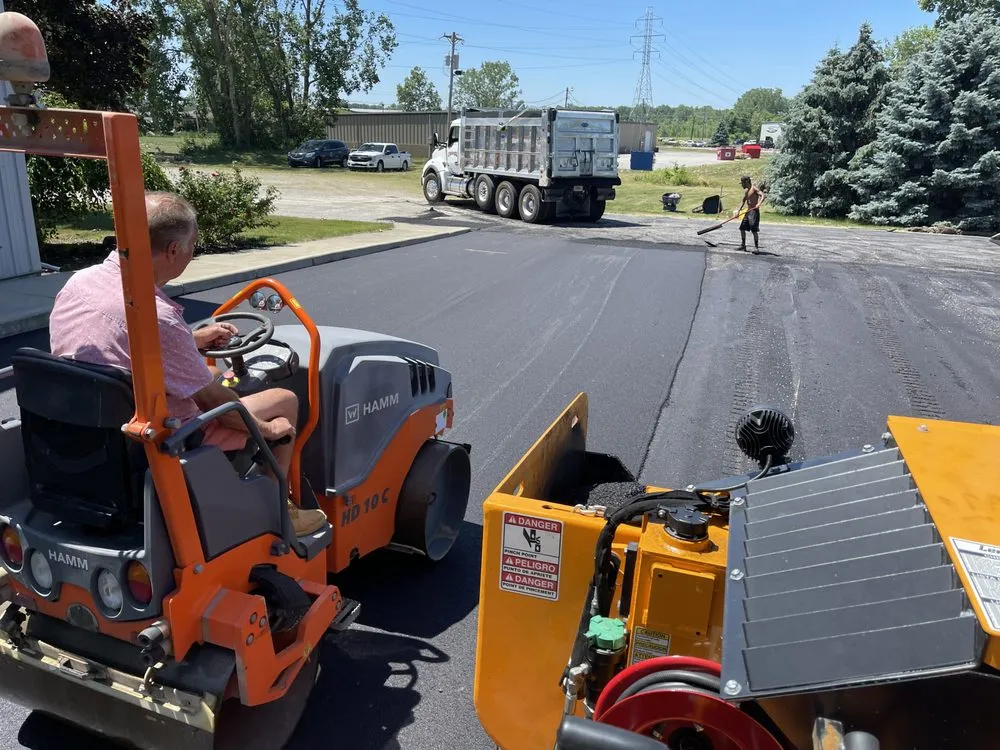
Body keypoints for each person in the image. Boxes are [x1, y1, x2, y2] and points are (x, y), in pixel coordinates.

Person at [48, 191, 328, 537]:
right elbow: (218, 407)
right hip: (162, 438)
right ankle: (277, 512)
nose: (192, 255)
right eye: (193, 246)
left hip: (90, 426)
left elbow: (124, 342)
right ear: (173, 250)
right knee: (284, 402)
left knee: (209, 371)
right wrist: (269, 430)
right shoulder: (158, 318)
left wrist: (192, 340)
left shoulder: (79, 284)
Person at [736, 175, 764, 252]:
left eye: (742, 183)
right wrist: (738, 211)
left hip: (754, 212)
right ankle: (743, 245)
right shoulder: (747, 191)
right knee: (742, 228)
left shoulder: (754, 188)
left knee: (754, 230)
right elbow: (743, 200)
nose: (742, 185)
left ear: (747, 182)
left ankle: (756, 248)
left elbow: (762, 195)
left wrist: (759, 204)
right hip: (748, 212)